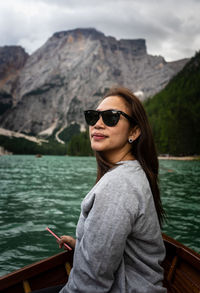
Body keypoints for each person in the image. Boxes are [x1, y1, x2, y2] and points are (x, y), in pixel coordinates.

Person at [34, 86, 166, 293]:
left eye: (111, 117)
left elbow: (89, 285)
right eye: (93, 117)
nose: (97, 124)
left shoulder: (118, 185)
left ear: (134, 132)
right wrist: (82, 245)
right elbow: (117, 250)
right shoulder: (133, 173)